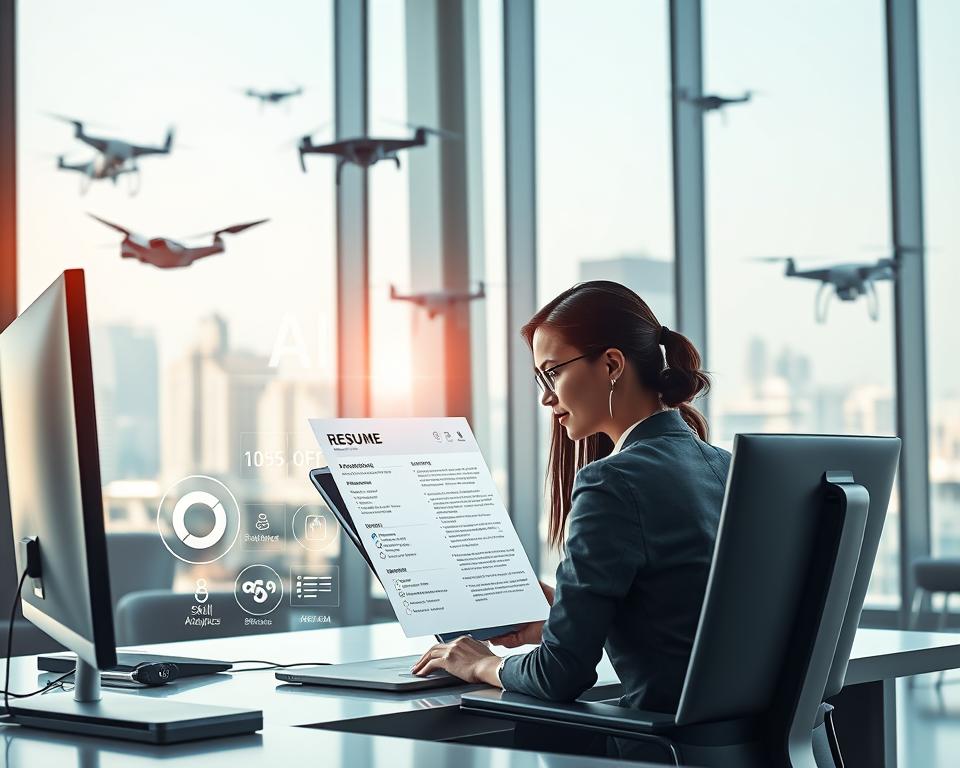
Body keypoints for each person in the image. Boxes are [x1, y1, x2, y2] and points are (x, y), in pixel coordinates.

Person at [412, 280, 730, 718]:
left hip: (664, 752)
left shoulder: (613, 481)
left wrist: (482, 663)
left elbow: (559, 676)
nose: (546, 396)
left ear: (612, 364)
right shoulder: (724, 465)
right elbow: (683, 613)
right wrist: (566, 613)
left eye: (553, 372)